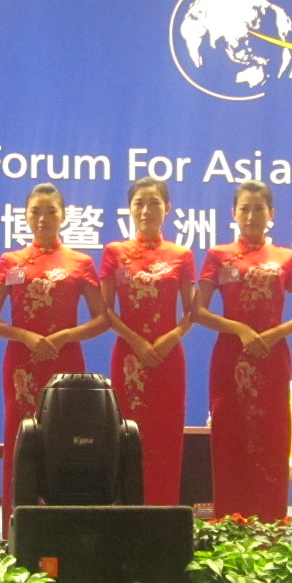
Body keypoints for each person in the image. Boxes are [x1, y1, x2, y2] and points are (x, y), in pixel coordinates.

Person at [0, 182, 107, 531]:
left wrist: (66, 336)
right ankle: (17, 528)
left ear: (63, 215)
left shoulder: (81, 262)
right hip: (22, 364)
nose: (43, 218)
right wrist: (25, 336)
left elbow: (102, 319)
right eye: (35, 211)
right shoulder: (11, 261)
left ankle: (65, 527)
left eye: (51, 211)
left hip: (66, 363)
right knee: (20, 438)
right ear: (25, 217)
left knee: (66, 438)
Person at [194, 180, 292, 521]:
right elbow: (198, 311)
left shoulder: (286, 257)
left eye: (259, 208)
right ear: (233, 213)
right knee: (229, 438)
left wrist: (276, 333)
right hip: (230, 359)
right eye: (245, 209)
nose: (251, 216)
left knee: (270, 438)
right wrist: (239, 329)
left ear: (271, 213)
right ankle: (229, 523)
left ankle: (270, 523)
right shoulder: (218, 256)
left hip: (271, 358)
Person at [100, 177, 196, 506]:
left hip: (169, 359)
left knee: (166, 437)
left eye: (154, 203)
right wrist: (136, 341)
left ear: (167, 208)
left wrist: (172, 337)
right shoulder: (115, 253)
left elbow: (192, 311)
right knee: (127, 435)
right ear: (129, 209)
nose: (146, 210)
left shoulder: (182, 255)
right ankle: (128, 513)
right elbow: (105, 311)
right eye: (139, 203)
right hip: (129, 357)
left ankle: (164, 512)